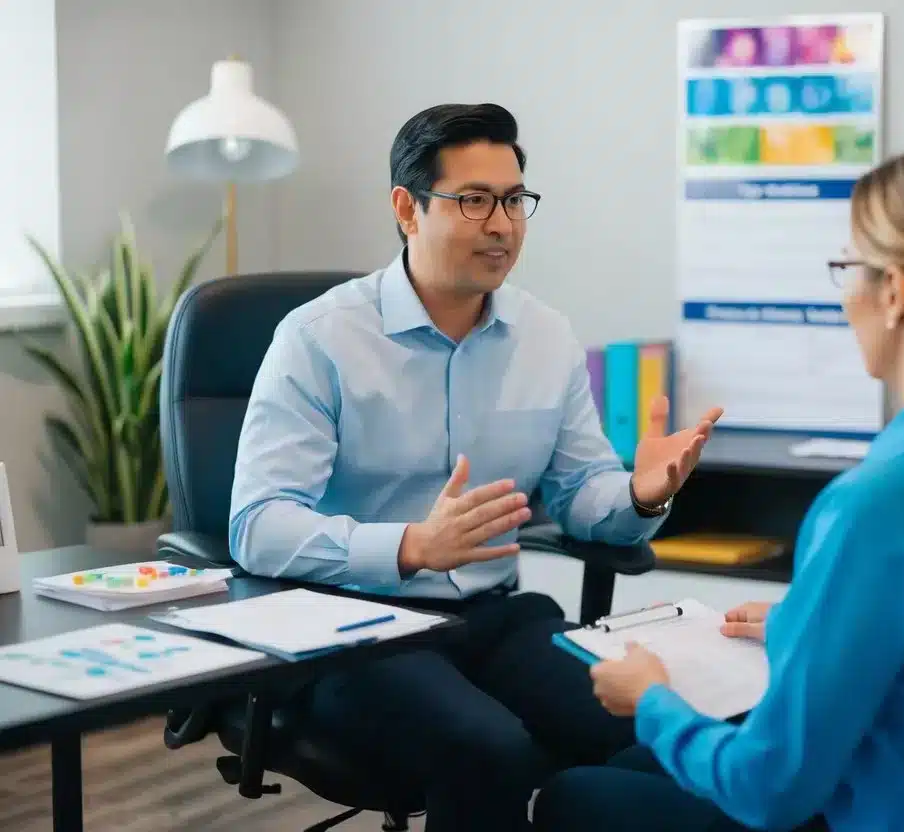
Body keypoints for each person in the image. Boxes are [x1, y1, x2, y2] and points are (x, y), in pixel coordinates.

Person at [531, 146, 904, 832]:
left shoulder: (878, 504)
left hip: (878, 812)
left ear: (892, 291)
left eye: (846, 269)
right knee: (633, 774)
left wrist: (651, 700)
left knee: (575, 795)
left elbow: (770, 791)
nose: (843, 294)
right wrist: (812, 630)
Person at [227, 102, 723, 832]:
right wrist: (408, 547)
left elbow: (582, 494)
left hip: (494, 619)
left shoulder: (544, 336)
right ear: (407, 208)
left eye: (515, 200)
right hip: (355, 629)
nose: (502, 224)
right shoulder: (318, 339)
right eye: (474, 201)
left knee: (650, 723)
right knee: (489, 748)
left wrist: (641, 495)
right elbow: (256, 525)